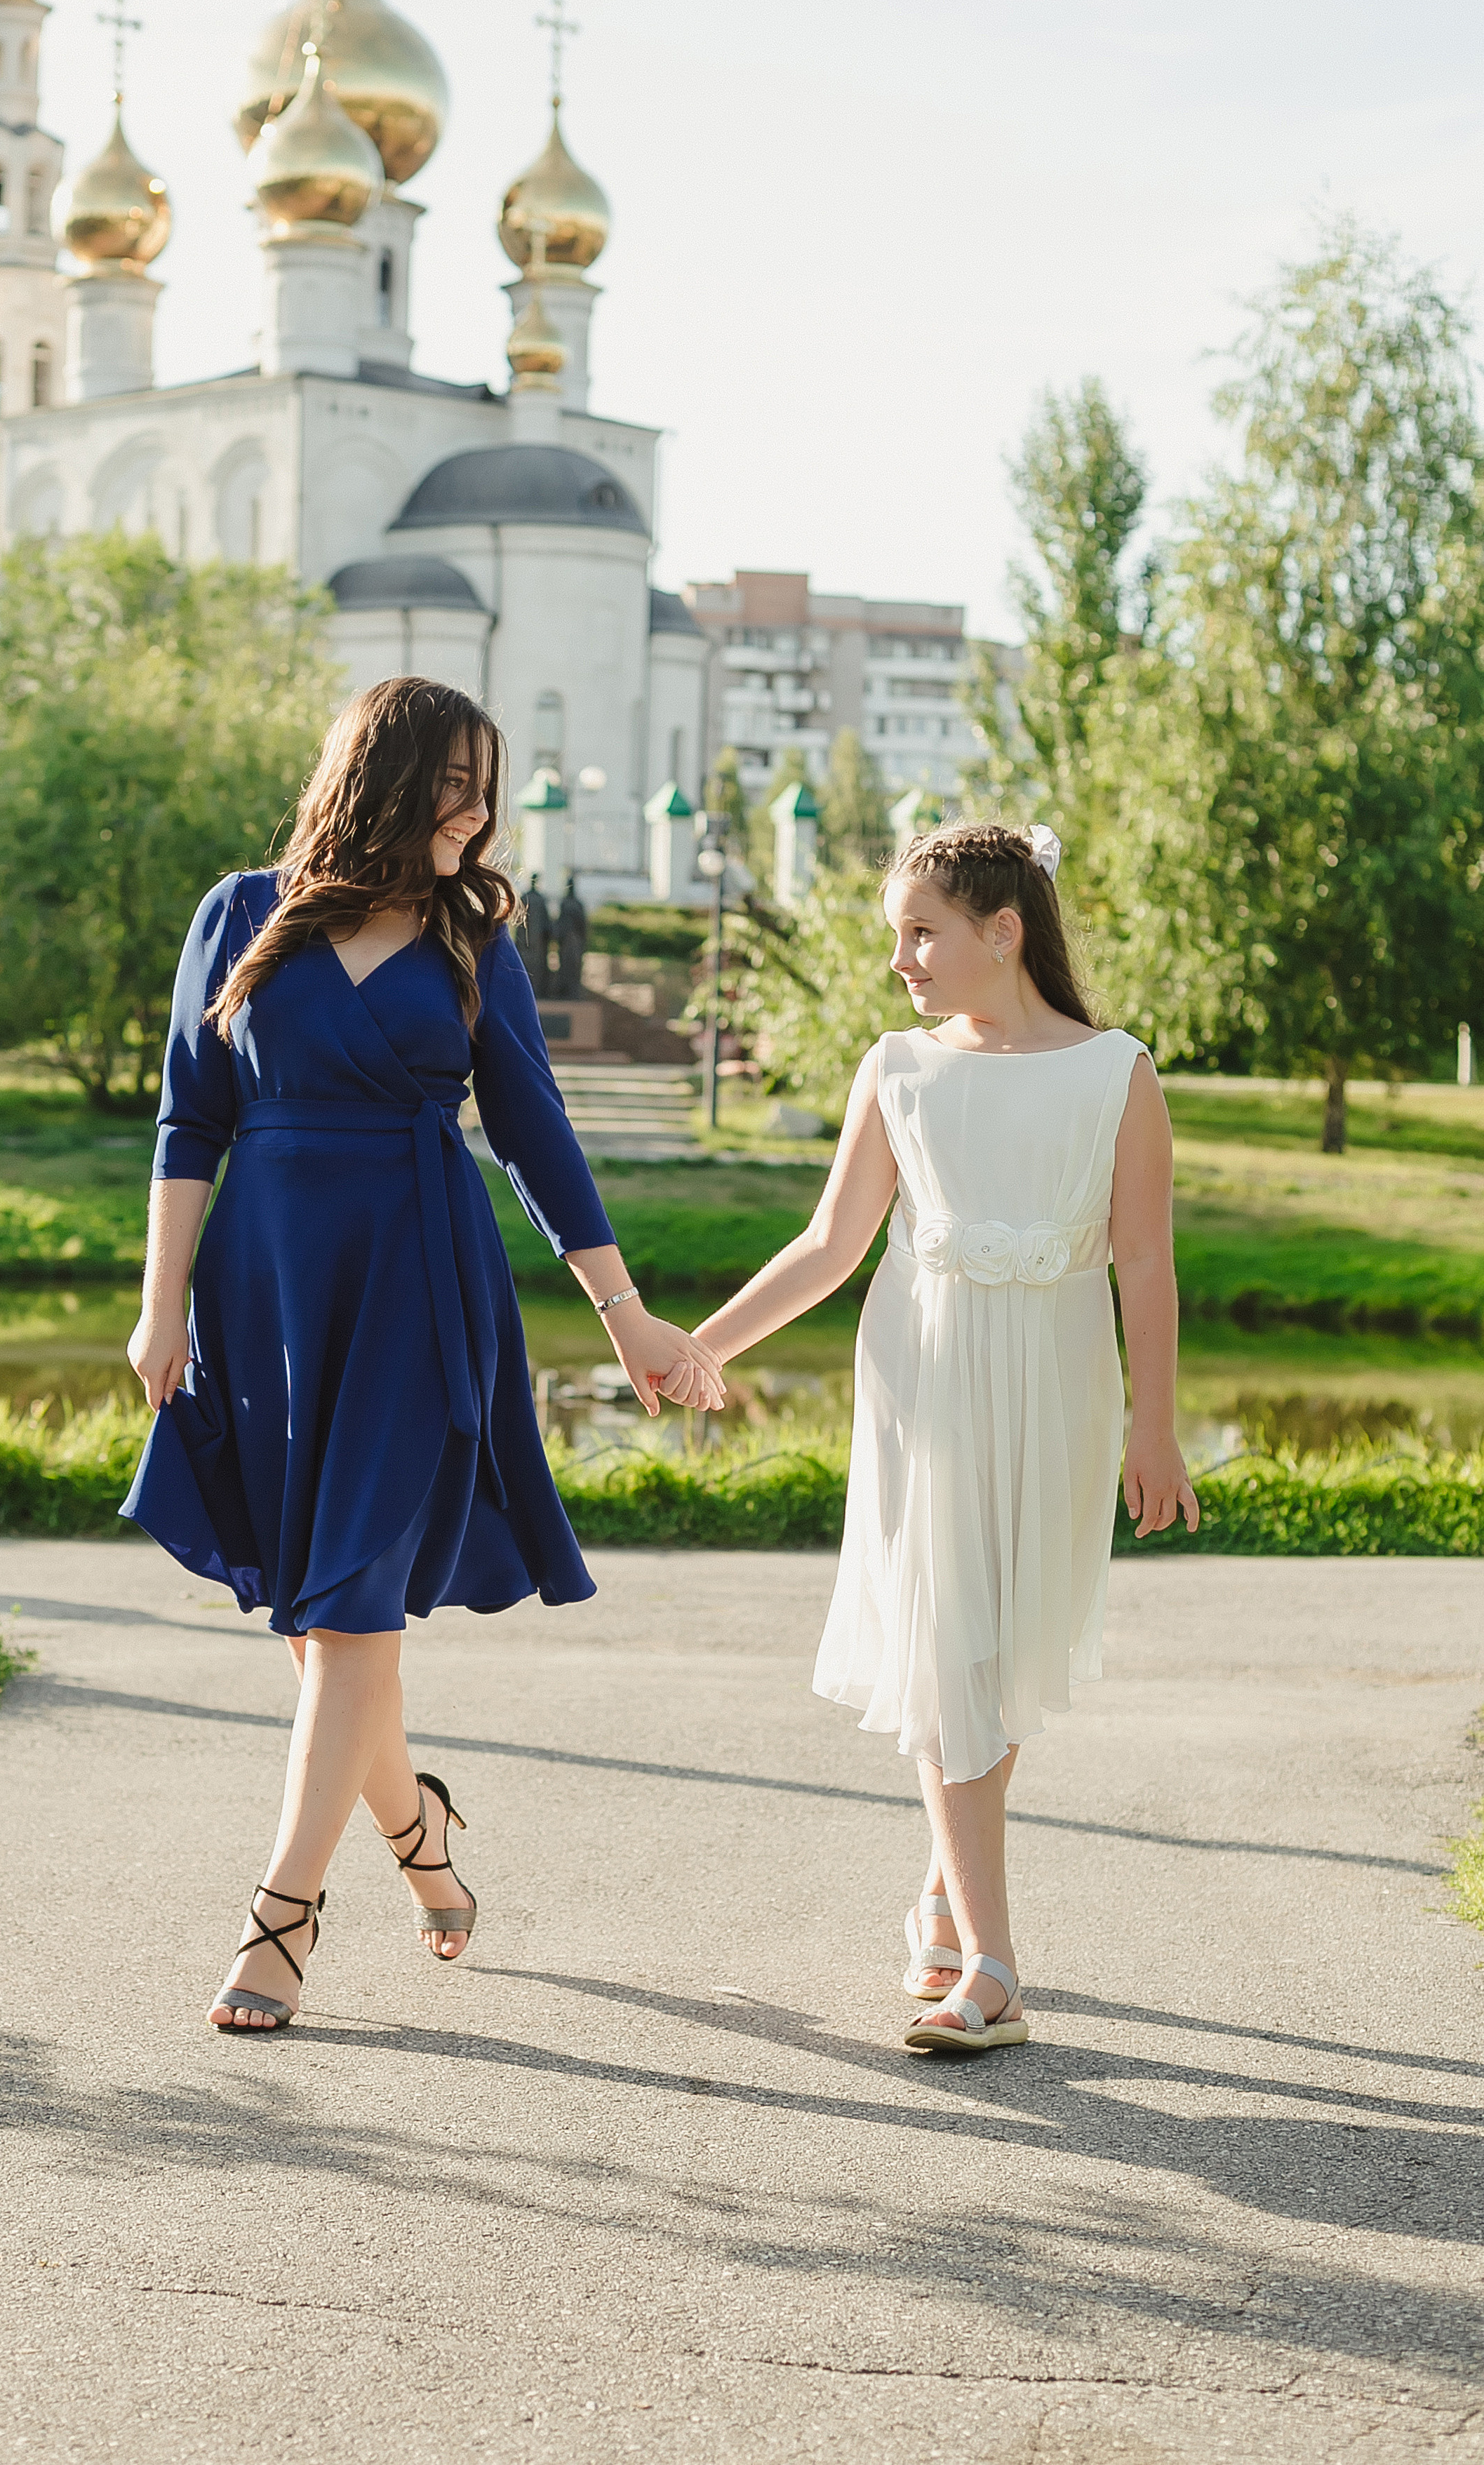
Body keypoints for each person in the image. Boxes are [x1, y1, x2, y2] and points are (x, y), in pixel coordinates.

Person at [121, 675, 726, 2032]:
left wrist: (623, 1311)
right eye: (454, 782)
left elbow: (530, 1127)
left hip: (417, 1280)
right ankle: (421, 1829)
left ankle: (281, 1920)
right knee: (316, 1618)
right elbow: (187, 1120)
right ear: (382, 779)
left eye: (486, 788)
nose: (478, 812)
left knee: (347, 1610)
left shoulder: (470, 935)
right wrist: (162, 1304)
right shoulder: (239, 912)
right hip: (266, 1283)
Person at [690, 822, 1197, 2054]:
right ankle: (992, 1966)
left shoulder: (1117, 1073)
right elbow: (828, 1248)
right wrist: (701, 1346)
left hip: (1058, 1387)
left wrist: (1158, 1429)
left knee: (1007, 1649)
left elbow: (1142, 1260)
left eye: (920, 932)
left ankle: (937, 1884)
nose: (902, 960)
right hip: (924, 1382)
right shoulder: (896, 1069)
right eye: (895, 936)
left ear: (1001, 931)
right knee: (944, 1650)